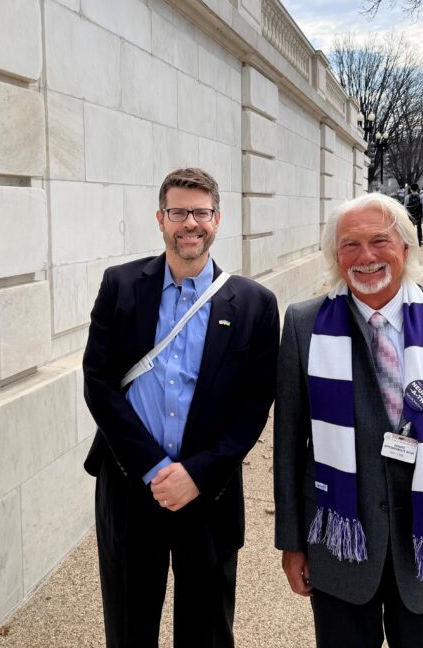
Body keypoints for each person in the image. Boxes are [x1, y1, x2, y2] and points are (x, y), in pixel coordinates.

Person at [274, 193, 423, 648]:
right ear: (335, 256)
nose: (366, 256)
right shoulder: (304, 325)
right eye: (350, 245)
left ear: (405, 247)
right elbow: (289, 444)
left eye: (379, 241)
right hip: (340, 542)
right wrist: (292, 542)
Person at [83, 167, 280, 648]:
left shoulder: (255, 303)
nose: (190, 223)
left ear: (217, 219)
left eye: (201, 213)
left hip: (208, 492)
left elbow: (256, 401)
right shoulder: (120, 285)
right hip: (131, 485)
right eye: (178, 212)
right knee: (129, 630)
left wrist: (197, 473)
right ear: (160, 219)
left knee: (207, 632)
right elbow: (98, 382)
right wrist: (154, 468)